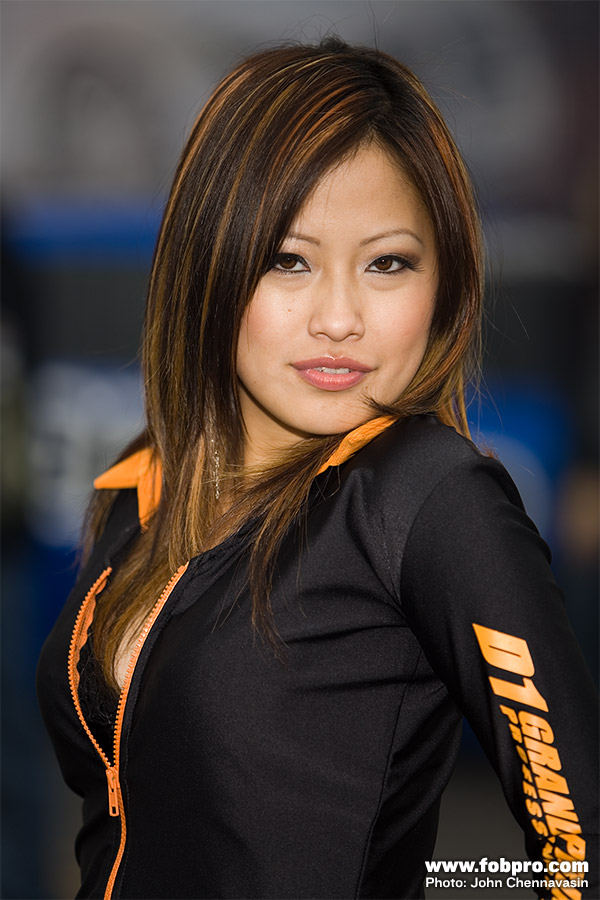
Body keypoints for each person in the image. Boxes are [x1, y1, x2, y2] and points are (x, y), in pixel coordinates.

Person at [37, 38, 598, 900]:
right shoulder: (141, 479)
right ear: (208, 261)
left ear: (445, 284)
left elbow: (577, 853)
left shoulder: (429, 499)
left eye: (388, 263)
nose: (339, 318)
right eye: (288, 260)